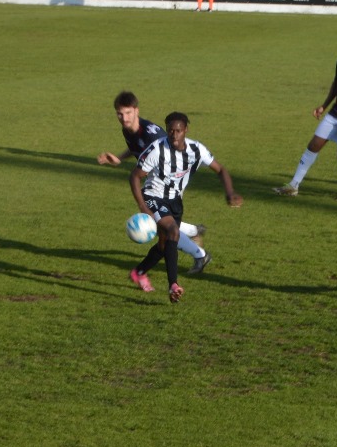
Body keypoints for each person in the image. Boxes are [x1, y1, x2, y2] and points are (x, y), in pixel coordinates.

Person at [128, 111, 242, 303]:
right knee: (173, 231)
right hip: (153, 196)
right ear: (166, 130)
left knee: (165, 244)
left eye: (178, 131)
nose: (174, 135)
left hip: (175, 201)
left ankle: (138, 272)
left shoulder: (196, 150)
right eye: (171, 131)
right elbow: (135, 176)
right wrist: (142, 206)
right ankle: (173, 285)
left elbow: (220, 169)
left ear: (186, 130)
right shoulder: (157, 150)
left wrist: (230, 192)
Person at [97, 92, 212, 270]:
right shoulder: (128, 129)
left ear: (136, 111)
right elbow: (136, 148)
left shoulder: (152, 134)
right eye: (120, 114)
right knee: (165, 226)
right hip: (156, 184)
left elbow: (171, 152)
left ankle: (200, 255)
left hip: (168, 185)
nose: (124, 118)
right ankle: (194, 231)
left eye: (128, 113)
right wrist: (119, 159)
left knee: (165, 230)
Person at [273, 32, 337, 201]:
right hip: (335, 114)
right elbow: (336, 86)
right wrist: (323, 106)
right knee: (313, 145)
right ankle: (294, 185)